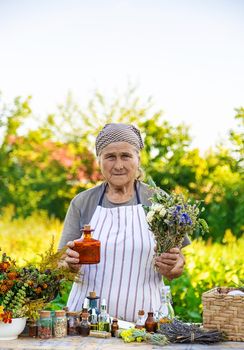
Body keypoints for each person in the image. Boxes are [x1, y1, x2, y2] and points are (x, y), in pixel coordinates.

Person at [58, 123, 190, 322]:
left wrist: (173, 266)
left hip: (147, 324)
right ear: (100, 160)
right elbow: (59, 263)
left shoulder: (161, 202)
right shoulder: (83, 203)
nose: (118, 165)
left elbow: (178, 264)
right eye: (110, 157)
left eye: (126, 156)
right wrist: (68, 265)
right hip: (85, 323)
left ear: (138, 158)